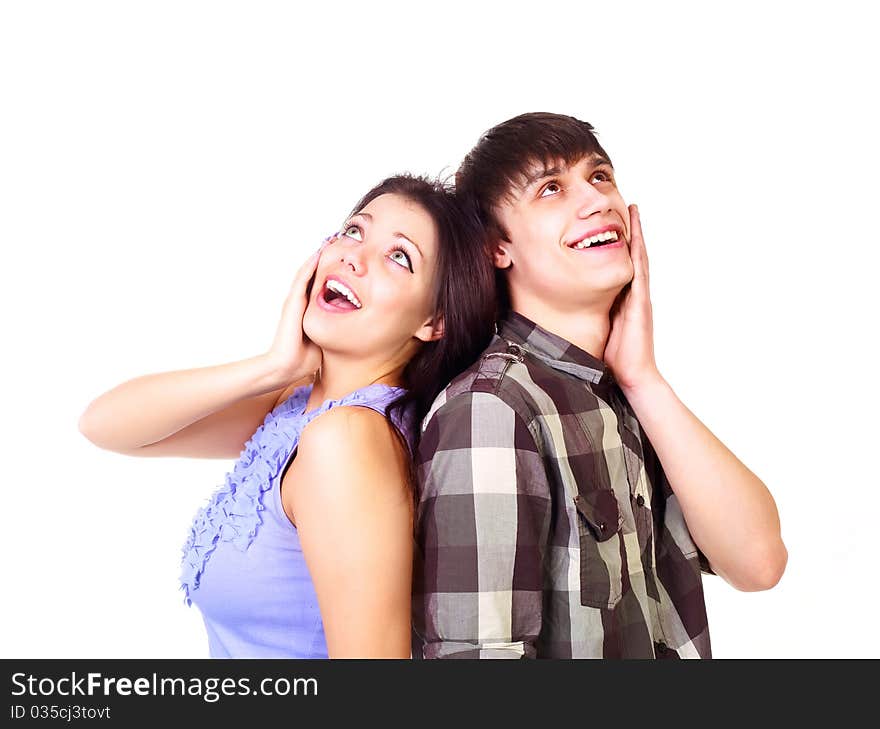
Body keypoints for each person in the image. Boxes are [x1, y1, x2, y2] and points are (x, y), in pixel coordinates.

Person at [412, 113, 788, 659]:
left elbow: (759, 562)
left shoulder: (620, 395)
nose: (595, 200)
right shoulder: (492, 409)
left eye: (600, 175)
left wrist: (644, 379)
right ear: (498, 247)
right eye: (551, 189)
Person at [79, 174, 496, 658]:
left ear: (435, 320)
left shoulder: (346, 439)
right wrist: (273, 366)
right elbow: (105, 425)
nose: (352, 257)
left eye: (398, 256)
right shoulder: (296, 403)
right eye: (354, 230)